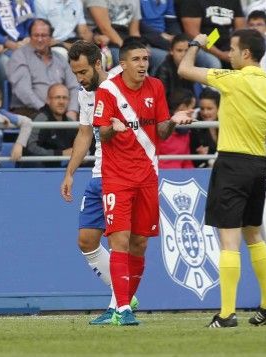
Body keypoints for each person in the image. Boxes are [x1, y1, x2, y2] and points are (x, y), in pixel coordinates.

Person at [178, 28, 266, 327]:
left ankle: (227, 314)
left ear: (246, 54)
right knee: (254, 233)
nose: (228, 53)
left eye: (233, 49)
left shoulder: (232, 79)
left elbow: (184, 68)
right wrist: (254, 128)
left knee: (229, 241)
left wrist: (195, 44)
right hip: (258, 166)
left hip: (231, 164)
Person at [92, 39, 192, 326]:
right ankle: (124, 309)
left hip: (148, 175)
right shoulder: (107, 91)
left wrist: (174, 120)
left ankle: (118, 306)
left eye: (145, 59)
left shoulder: (156, 87)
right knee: (119, 240)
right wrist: (113, 127)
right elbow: (102, 135)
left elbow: (160, 130)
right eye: (136, 59)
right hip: (117, 177)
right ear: (122, 64)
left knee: (139, 244)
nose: (142, 64)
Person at [62, 41, 135, 325]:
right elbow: (84, 135)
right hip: (98, 173)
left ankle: (121, 302)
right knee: (86, 241)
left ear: (97, 64)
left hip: (121, 174)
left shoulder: (121, 86)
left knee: (120, 241)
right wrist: (69, 172)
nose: (79, 79)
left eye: (82, 72)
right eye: (75, 74)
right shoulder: (85, 94)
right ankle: (122, 296)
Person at [6, 18, 80, 119]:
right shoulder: (19, 56)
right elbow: (23, 91)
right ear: (30, 36)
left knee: (89, 120)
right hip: (29, 110)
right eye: (36, 35)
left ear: (51, 38)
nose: (39, 39)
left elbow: (74, 86)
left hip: (60, 111)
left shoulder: (60, 59)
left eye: (44, 35)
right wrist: (47, 110)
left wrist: (72, 110)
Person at [23, 83, 76, 168]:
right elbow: (30, 149)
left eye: (65, 98)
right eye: (57, 97)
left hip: (60, 169)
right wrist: (61, 154)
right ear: (48, 100)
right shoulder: (40, 119)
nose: (61, 102)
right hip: (38, 172)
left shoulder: (70, 123)